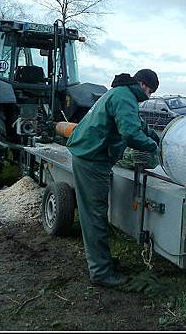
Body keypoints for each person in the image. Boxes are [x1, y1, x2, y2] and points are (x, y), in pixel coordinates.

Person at [66, 69, 161, 287]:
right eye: (151, 91)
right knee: (95, 216)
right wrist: (154, 147)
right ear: (142, 84)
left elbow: (136, 123)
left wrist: (155, 135)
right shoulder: (125, 96)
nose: (150, 96)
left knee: (96, 214)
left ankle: (103, 262)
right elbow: (130, 133)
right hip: (91, 159)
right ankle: (101, 272)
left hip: (91, 154)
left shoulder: (121, 94)